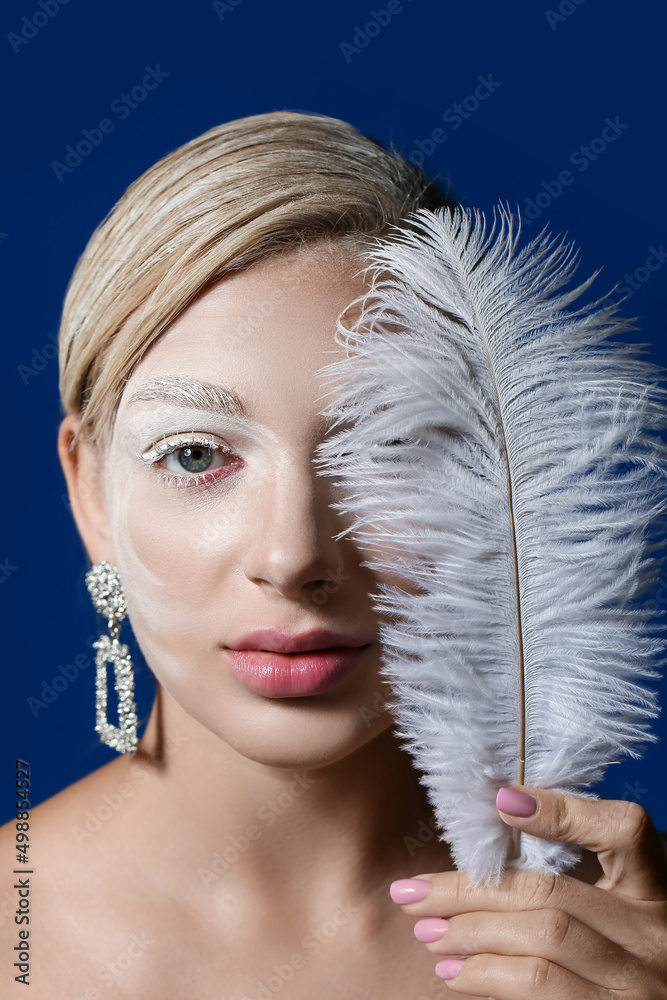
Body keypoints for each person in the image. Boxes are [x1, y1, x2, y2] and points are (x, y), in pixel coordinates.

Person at [2, 110, 666, 999]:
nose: (294, 554)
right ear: (91, 493)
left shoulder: (618, 953)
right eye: (196, 455)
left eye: (389, 450)